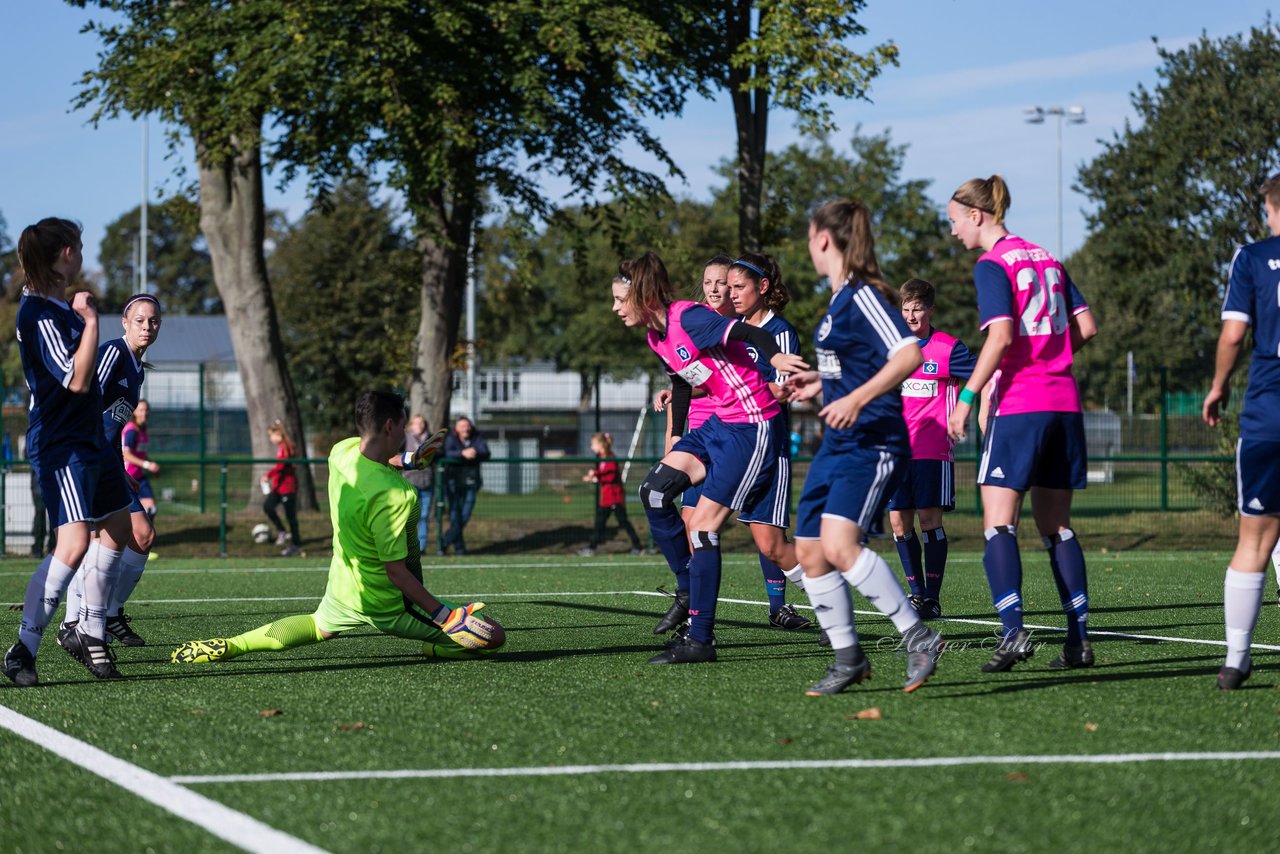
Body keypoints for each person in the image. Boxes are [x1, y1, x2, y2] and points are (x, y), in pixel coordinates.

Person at [171, 390, 502, 665]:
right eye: (402, 427)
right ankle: (438, 645)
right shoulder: (398, 496)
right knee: (492, 635)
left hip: (344, 585)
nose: (405, 434)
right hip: (387, 603)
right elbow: (396, 573)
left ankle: (233, 645)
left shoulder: (340, 452)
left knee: (316, 625)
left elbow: (373, 459)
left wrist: (407, 460)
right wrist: (445, 616)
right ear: (390, 426)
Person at [784, 199, 945, 696]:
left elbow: (908, 354)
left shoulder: (863, 295)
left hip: (873, 441)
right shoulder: (837, 301)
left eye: (809, 237)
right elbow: (856, 365)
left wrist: (853, 397)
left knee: (838, 547)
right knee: (809, 551)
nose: (809, 246)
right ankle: (849, 658)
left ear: (823, 239)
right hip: (838, 443)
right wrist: (820, 382)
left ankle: (919, 635)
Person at [615, 251, 808, 665]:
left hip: (752, 425)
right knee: (653, 492)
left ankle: (700, 640)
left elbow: (753, 336)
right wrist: (678, 438)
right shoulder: (656, 336)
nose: (615, 308)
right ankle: (687, 589)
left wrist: (775, 358)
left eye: (620, 298)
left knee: (705, 529)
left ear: (643, 295)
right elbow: (683, 385)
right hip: (719, 426)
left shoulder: (689, 317)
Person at [944, 175, 1098, 673]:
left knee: (997, 523)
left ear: (976, 215)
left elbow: (1003, 335)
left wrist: (967, 397)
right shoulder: (1048, 257)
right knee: (1057, 528)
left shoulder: (991, 264)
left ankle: (1012, 634)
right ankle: (1078, 642)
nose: (953, 233)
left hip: (1022, 404)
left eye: (953, 222)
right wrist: (1053, 360)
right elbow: (1087, 326)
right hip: (1065, 403)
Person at [3, 218, 134, 686]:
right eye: (77, 246)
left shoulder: (58, 305)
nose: (81, 253)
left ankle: (89, 629)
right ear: (63, 254)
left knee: (121, 526)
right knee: (75, 542)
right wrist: (93, 320)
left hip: (91, 439)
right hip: (62, 445)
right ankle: (24, 649)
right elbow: (77, 380)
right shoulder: (38, 312)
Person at [1202, 173, 1280, 690]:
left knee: (1254, 539)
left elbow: (1233, 333)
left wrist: (1218, 385)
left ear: (1271, 207)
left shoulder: (1252, 257)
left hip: (1269, 410)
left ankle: (1236, 660)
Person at [60, 294, 163, 649]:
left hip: (107, 461)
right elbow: (83, 400)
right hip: (86, 459)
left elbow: (112, 427)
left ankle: (109, 613)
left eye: (153, 322)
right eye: (140, 320)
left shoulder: (136, 370)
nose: (147, 327)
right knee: (92, 541)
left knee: (142, 537)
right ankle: (74, 622)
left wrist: (121, 467)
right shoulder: (113, 353)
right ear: (125, 321)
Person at [727, 252, 812, 631]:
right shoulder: (732, 328)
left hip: (768, 446)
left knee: (771, 542)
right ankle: (694, 615)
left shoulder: (780, 333)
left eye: (738, 286)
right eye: (727, 287)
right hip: (735, 444)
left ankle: (828, 604)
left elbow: (783, 389)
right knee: (698, 521)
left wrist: (741, 390)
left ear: (762, 288)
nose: (731, 294)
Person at [887, 279, 977, 620]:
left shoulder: (949, 348)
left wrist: (967, 407)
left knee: (928, 520)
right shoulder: (892, 347)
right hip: (896, 449)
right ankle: (916, 593)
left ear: (931, 310)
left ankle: (933, 598)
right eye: (906, 308)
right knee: (898, 522)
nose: (910, 315)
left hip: (932, 447)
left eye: (917, 309)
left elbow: (981, 373)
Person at [579, 431, 643, 556]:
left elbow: (611, 476)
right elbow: (604, 474)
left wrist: (595, 477)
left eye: (593, 444)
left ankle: (638, 546)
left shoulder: (610, 458)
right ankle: (592, 547)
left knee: (623, 522)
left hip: (615, 498)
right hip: (606, 498)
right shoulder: (602, 458)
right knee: (599, 523)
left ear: (601, 444)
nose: (592, 447)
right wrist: (595, 475)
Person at [440, 416, 490, 556]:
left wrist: (474, 452)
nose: (465, 429)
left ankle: (444, 542)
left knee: (465, 515)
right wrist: (462, 453)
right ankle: (460, 549)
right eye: (462, 426)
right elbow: (446, 452)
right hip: (453, 482)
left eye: (467, 426)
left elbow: (485, 451)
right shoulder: (450, 438)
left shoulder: (477, 438)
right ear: (457, 428)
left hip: (471, 481)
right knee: (455, 516)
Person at [262, 419, 303, 556]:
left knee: (291, 516)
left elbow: (281, 466)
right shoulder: (281, 448)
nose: (270, 438)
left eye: (271, 435)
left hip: (288, 488)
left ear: (278, 433)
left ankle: (296, 544)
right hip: (278, 487)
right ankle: (282, 531)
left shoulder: (287, 448)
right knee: (268, 506)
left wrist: (268, 475)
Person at [403, 414, 437, 553]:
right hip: (410, 481)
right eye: (417, 423)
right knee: (409, 516)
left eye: (422, 423)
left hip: (426, 482)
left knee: (424, 516)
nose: (420, 426)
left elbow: (440, 454)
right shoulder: (404, 438)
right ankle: (408, 545)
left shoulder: (431, 439)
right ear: (411, 425)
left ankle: (421, 547)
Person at [121, 399, 159, 518]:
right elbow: (126, 454)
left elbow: (140, 452)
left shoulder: (142, 429)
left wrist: (151, 464)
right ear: (135, 412)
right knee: (134, 514)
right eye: (141, 410)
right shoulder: (131, 430)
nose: (144, 413)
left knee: (151, 508)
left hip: (140, 476)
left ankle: (145, 535)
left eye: (146, 410)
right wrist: (147, 465)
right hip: (129, 476)